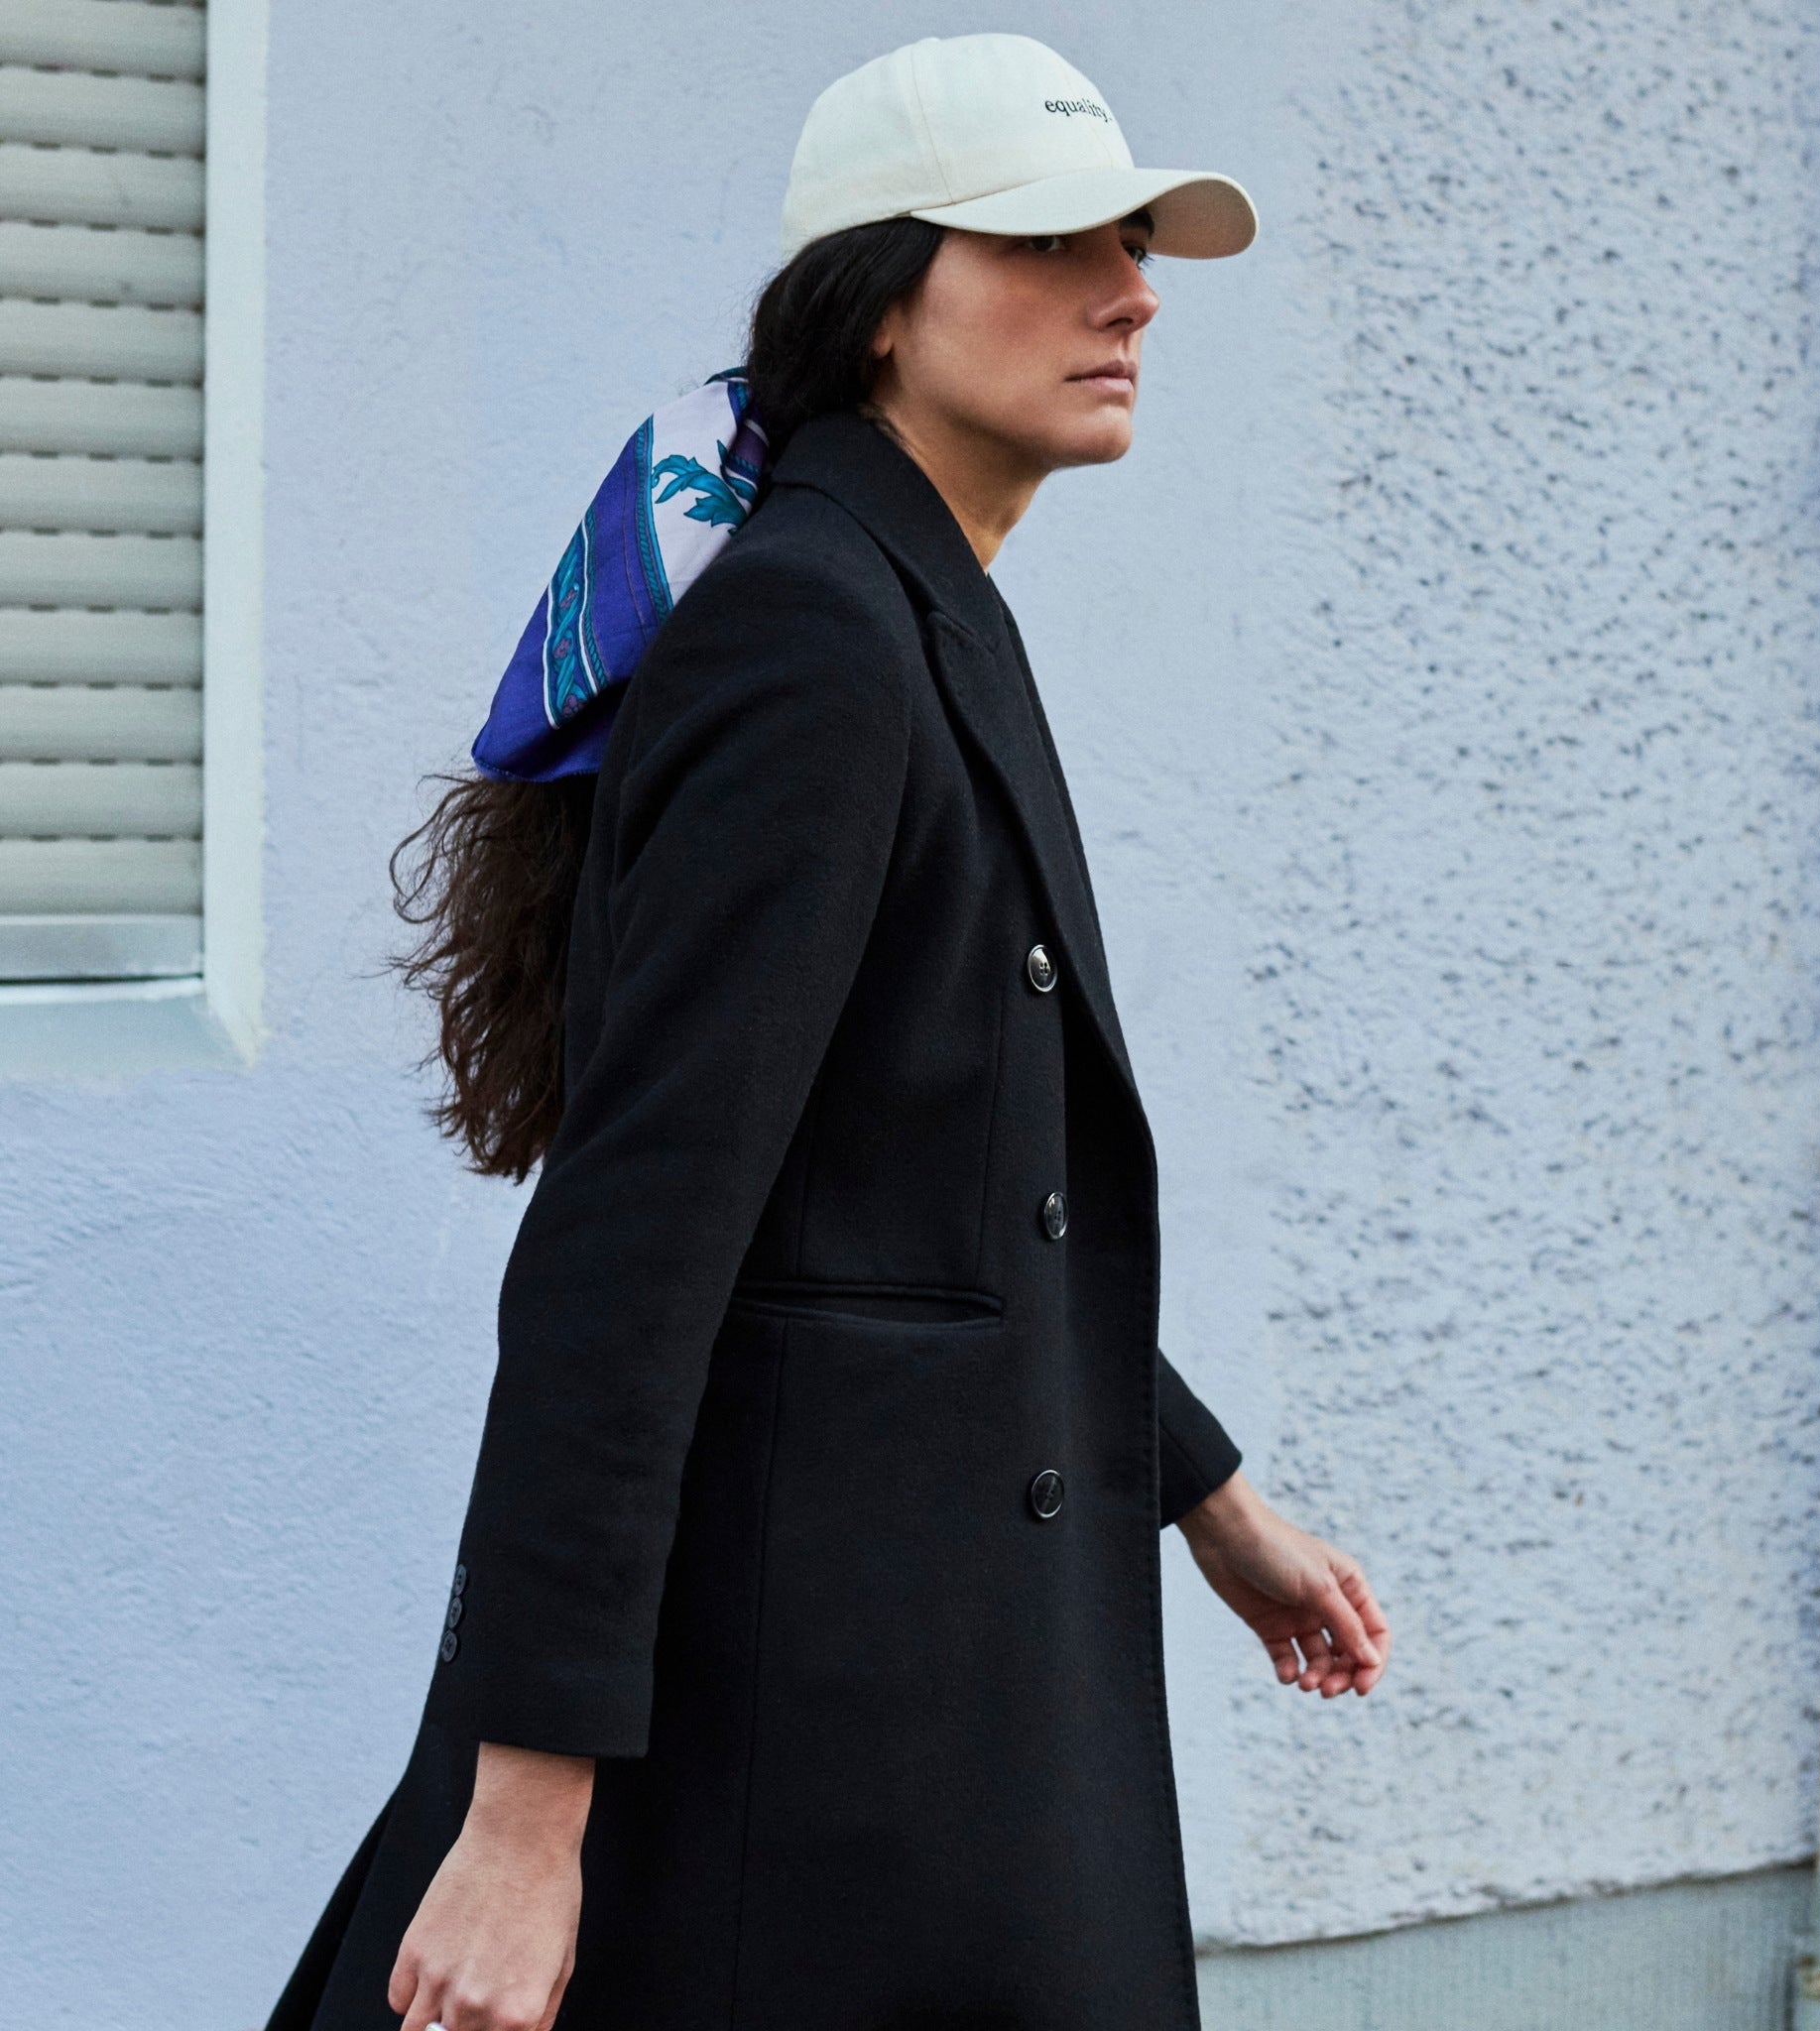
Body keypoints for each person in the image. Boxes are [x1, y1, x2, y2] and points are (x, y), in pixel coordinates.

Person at [264, 32, 1391, 2031]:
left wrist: (1203, 1486)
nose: (1129, 289)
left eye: (1132, 241)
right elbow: (633, 1242)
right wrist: (526, 1821)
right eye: (1055, 240)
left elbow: (940, 1171)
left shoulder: (905, 599)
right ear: (878, 302)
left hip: (911, 1704)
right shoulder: (817, 636)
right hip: (805, 1748)